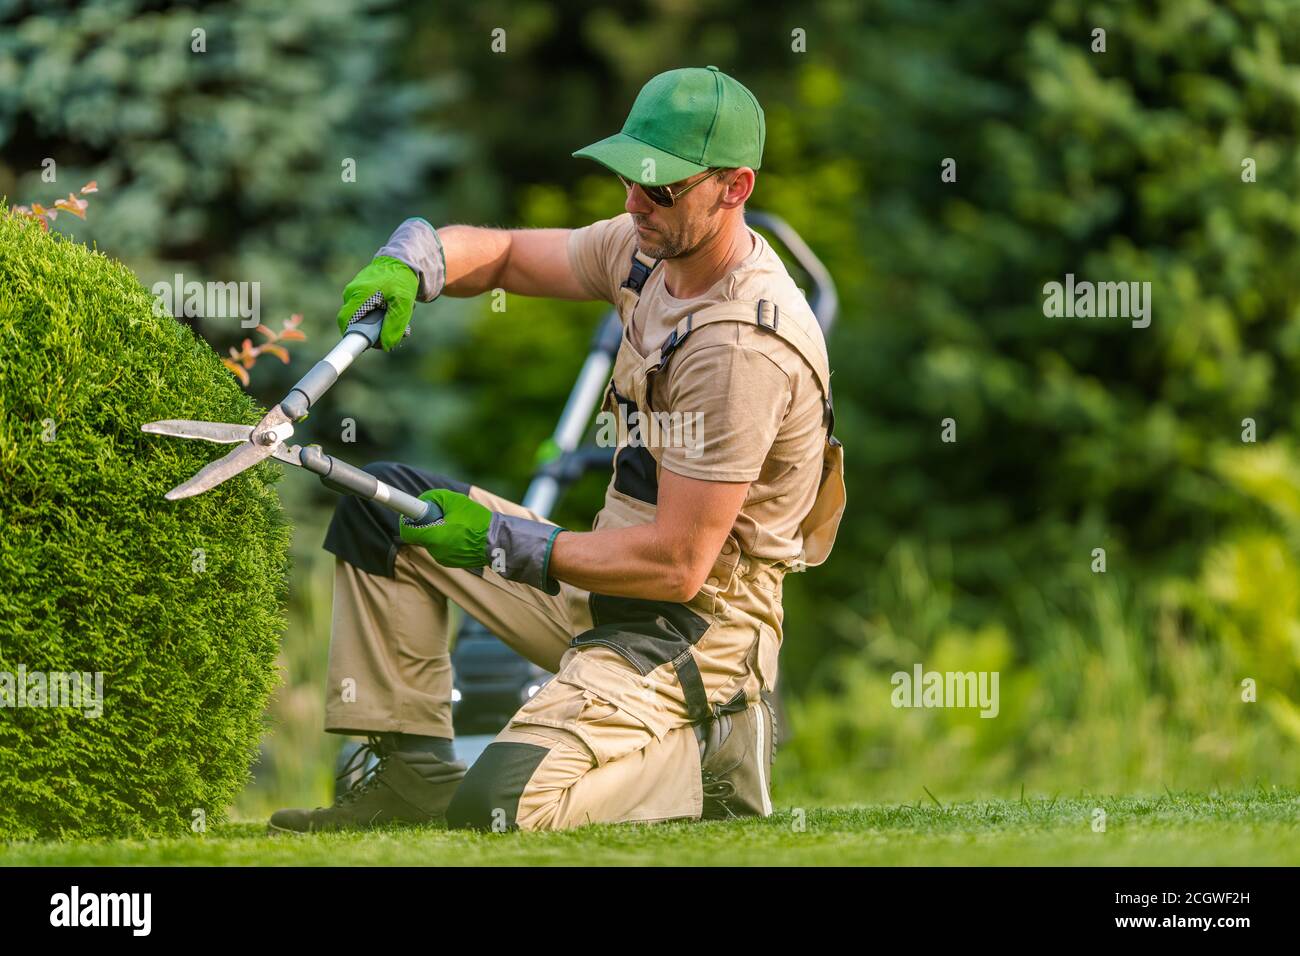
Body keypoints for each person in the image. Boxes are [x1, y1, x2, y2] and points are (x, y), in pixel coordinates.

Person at [269, 65, 844, 834]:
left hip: (694, 638)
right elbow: (505, 254)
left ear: (735, 187)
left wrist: (506, 542)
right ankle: (408, 782)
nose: (635, 202)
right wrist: (417, 257)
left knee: (499, 808)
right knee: (383, 512)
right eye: (630, 179)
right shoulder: (650, 251)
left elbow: (677, 568)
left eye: (662, 188)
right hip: (604, 589)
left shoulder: (743, 346)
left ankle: (706, 758)